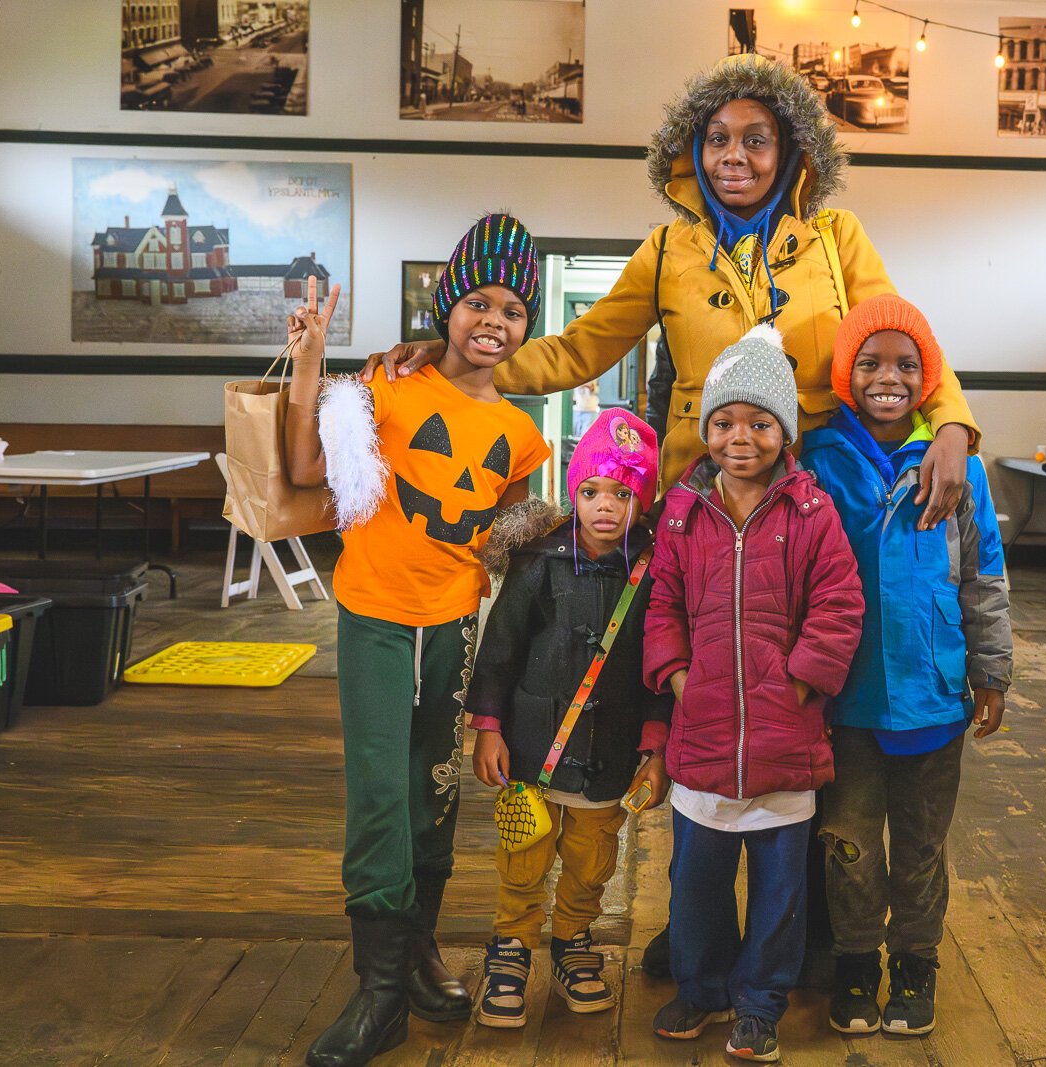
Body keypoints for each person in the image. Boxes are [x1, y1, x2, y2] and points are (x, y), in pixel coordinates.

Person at [362, 52, 979, 528]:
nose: (734, 156)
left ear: (789, 152)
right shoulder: (665, 250)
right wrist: (451, 361)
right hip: (699, 483)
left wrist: (951, 426)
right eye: (717, 139)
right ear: (694, 150)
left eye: (755, 139)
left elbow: (901, 341)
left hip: (819, 474)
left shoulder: (836, 236)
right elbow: (578, 351)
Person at [283, 214, 551, 1067]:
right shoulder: (387, 387)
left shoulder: (522, 434)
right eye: (478, 300)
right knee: (377, 791)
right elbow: (301, 473)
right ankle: (380, 993)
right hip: (374, 612)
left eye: (513, 309)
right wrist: (311, 365)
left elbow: (503, 531)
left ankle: (420, 950)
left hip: (455, 623)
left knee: (434, 786)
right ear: (448, 303)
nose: (494, 321)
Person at [642, 325, 865, 1063]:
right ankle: (701, 986)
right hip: (701, 737)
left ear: (785, 431)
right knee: (695, 883)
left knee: (779, 893)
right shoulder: (682, 513)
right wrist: (677, 674)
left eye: (761, 422)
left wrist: (802, 678)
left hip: (786, 739)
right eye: (725, 422)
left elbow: (840, 602)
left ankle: (760, 1001)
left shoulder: (810, 512)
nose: (742, 437)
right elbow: (663, 602)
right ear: (706, 429)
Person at [797, 295, 1013, 1038]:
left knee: (921, 849)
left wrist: (992, 668)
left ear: (928, 377)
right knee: (849, 847)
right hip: (845, 701)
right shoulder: (817, 461)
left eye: (906, 363)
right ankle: (856, 965)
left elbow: (984, 576)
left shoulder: (960, 467)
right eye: (870, 361)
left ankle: (915, 966)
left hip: (934, 696)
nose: (888, 376)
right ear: (844, 371)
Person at [465, 409, 671, 1028]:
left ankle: (574, 939)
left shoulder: (658, 571)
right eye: (590, 491)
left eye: (622, 492)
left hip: (611, 751)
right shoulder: (537, 562)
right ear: (572, 493)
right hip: (532, 745)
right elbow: (499, 649)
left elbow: (665, 663)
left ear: (643, 497)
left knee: (592, 858)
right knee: (524, 852)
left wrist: (656, 747)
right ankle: (511, 943)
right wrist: (489, 728)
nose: (605, 506)